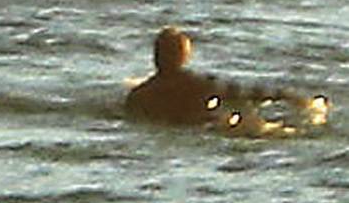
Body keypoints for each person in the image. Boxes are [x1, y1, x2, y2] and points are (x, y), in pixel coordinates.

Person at [123, 26, 326, 129]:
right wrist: (300, 100)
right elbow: (254, 93)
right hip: (202, 127)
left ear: (155, 56)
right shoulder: (200, 85)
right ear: (184, 57)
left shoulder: (137, 96)